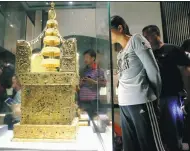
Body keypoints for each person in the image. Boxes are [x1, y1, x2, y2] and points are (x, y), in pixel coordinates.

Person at [111, 16, 164, 151]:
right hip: (124, 104)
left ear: (120, 28)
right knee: (130, 145)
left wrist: (155, 95)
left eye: (108, 30)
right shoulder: (120, 53)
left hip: (141, 100)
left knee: (148, 144)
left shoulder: (136, 39)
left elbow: (153, 70)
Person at [142, 25, 190, 151]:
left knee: (172, 127)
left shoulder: (172, 49)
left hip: (171, 96)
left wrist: (187, 94)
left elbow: (186, 71)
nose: (146, 40)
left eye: (147, 36)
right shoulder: (149, 54)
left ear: (155, 35)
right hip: (154, 97)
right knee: (158, 129)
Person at [79, 49, 106, 119]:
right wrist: (80, 83)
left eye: (87, 57)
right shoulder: (82, 71)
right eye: (84, 57)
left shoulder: (100, 71)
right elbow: (78, 85)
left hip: (93, 102)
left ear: (93, 58)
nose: (85, 59)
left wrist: (92, 82)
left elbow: (103, 84)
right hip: (82, 102)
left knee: (94, 120)